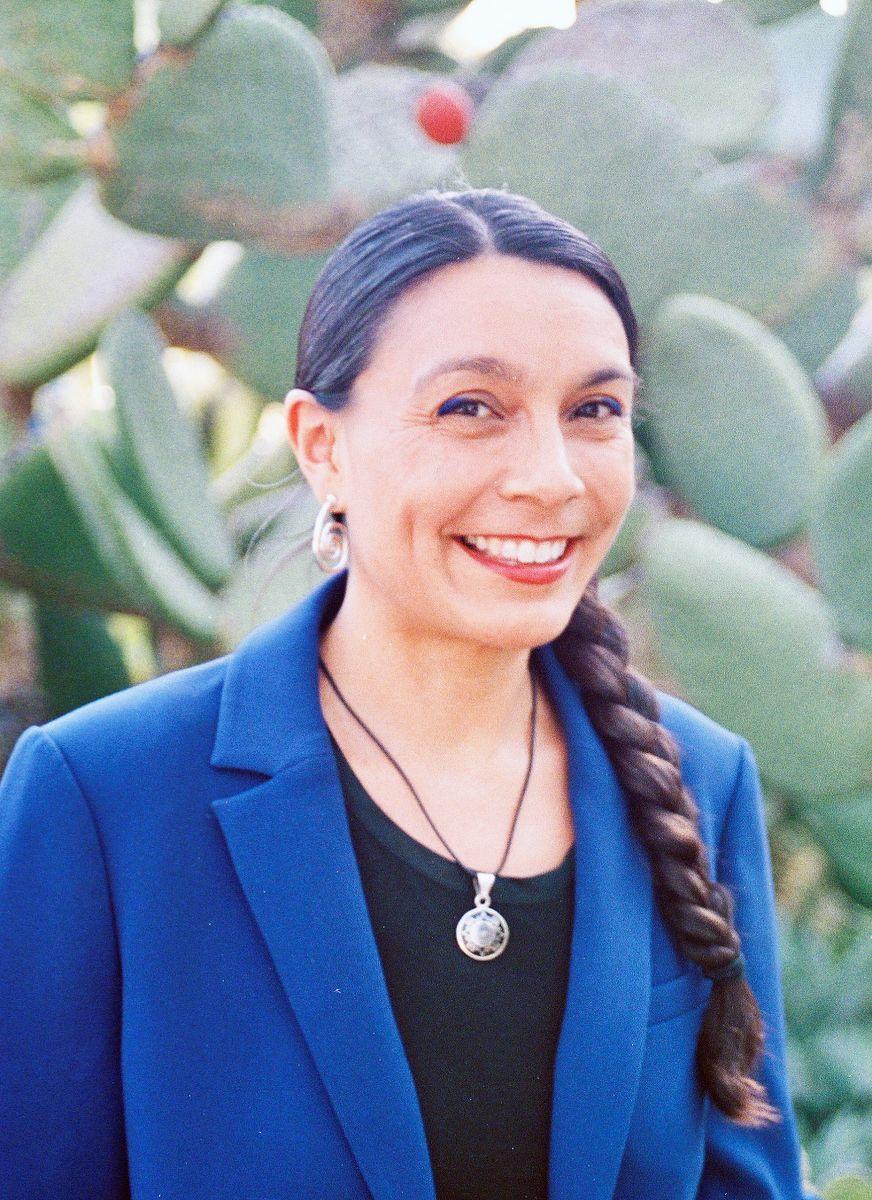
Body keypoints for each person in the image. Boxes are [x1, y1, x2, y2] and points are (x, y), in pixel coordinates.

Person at [0, 187, 818, 1200]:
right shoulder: (102, 796)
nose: (551, 476)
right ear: (320, 447)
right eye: (470, 408)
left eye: (592, 410)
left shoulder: (700, 779)